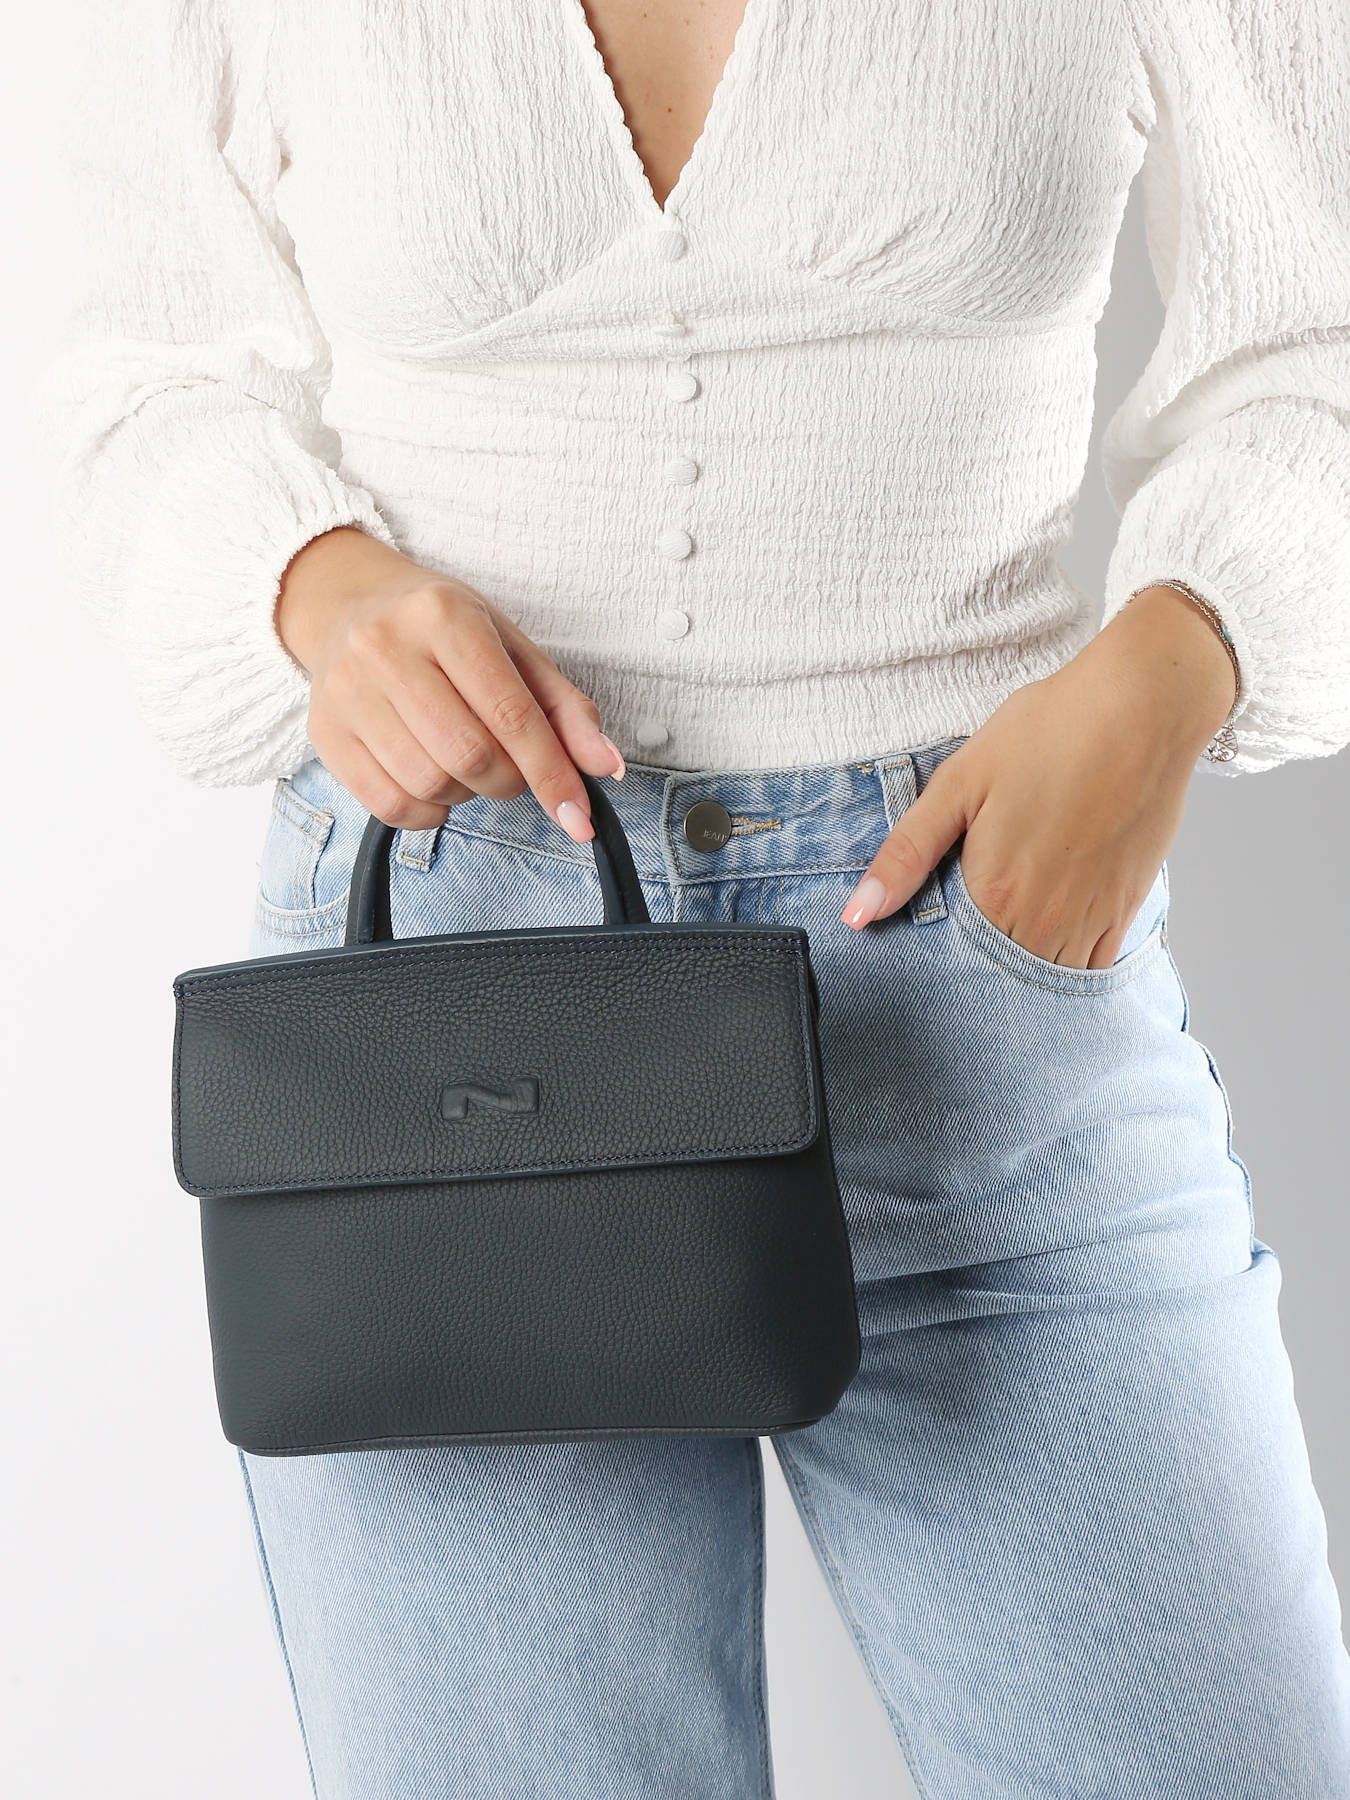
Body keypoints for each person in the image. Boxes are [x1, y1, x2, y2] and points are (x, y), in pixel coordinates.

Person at [41, 1, 1350, 1795]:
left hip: (978, 976)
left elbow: (1319, 339)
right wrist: (317, 589)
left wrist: (1180, 656)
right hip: (453, 1034)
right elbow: (135, 375)